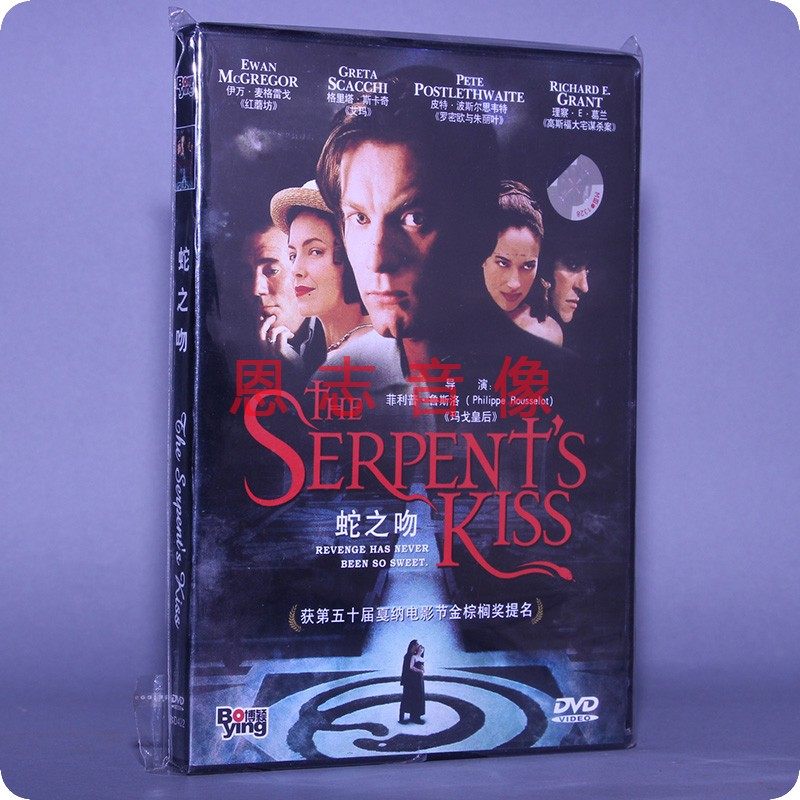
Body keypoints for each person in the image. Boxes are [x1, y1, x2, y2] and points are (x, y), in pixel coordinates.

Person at [269, 179, 371, 358]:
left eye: (315, 252)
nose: (296, 270)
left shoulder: (374, 350)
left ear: (351, 256)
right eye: (293, 255)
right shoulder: (313, 349)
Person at [482, 180, 563, 346]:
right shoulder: (450, 322)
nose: (514, 284)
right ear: (482, 258)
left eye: (528, 266)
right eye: (503, 263)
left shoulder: (546, 334)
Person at [399, 640, 425, 724]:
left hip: (415, 681)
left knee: (415, 698)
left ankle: (414, 716)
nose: (418, 646)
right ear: (413, 646)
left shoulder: (413, 655)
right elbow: (406, 669)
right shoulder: (408, 656)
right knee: (407, 698)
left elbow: (420, 659)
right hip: (409, 682)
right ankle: (402, 718)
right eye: (417, 644)